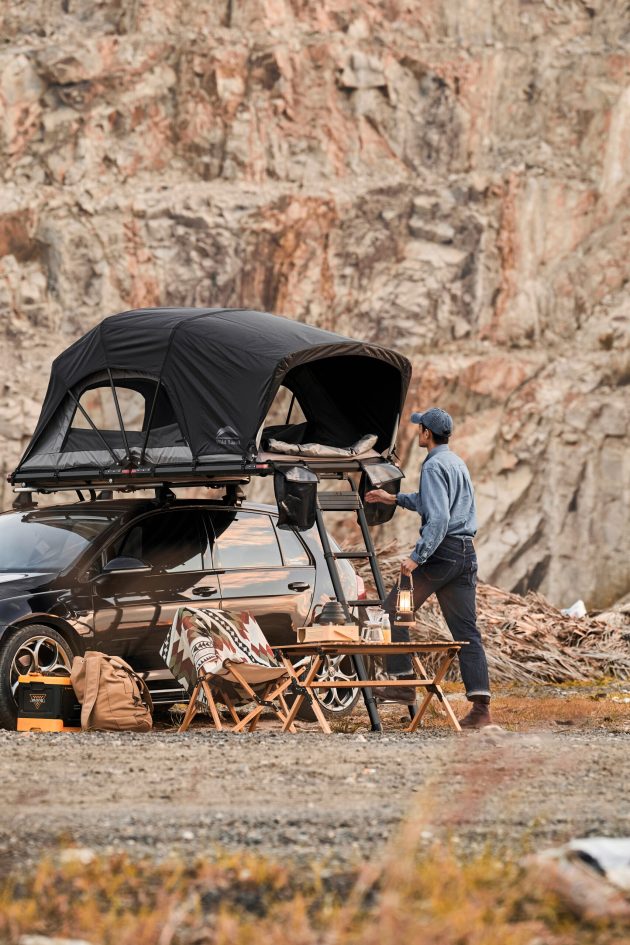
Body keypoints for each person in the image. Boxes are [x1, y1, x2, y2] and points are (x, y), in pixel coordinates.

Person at [365, 407, 492, 729]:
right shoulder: (455, 462)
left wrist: (417, 557)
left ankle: (403, 683)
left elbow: (439, 518)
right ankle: (481, 709)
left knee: (394, 610)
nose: (416, 432)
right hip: (465, 554)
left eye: (419, 428)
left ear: (426, 434)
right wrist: (393, 499)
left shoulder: (434, 465)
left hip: (442, 554)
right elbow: (432, 502)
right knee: (467, 633)